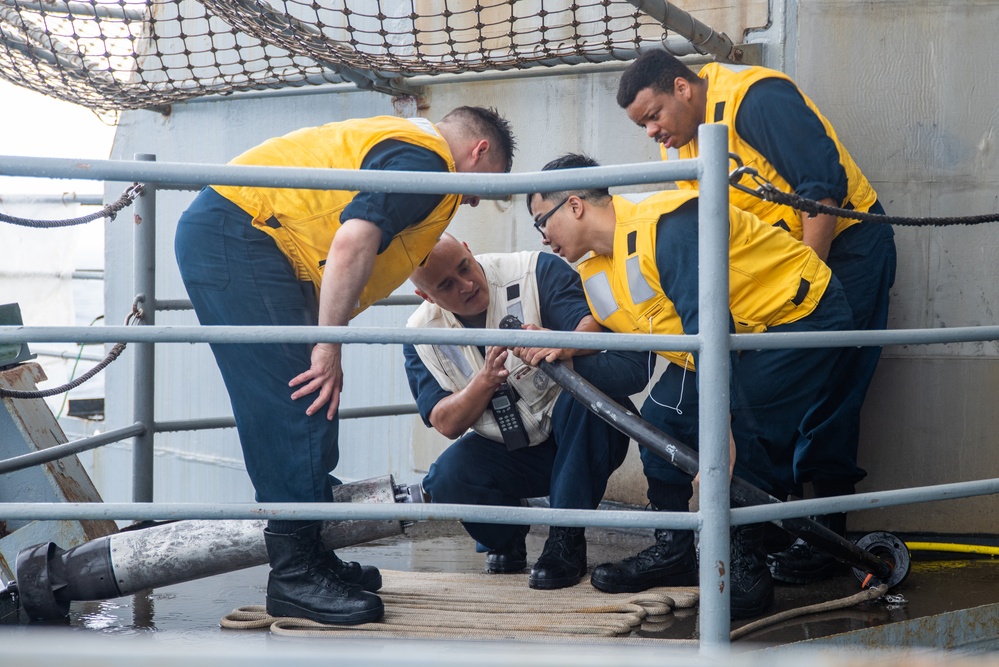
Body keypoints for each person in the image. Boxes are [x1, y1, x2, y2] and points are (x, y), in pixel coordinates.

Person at [174, 108, 516, 625]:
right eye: (484, 187)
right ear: (480, 152)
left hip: (251, 239)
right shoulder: (431, 165)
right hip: (241, 236)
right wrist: (328, 344)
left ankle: (311, 558)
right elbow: (353, 239)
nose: (471, 201)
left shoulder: (410, 148)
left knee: (311, 406)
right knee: (294, 402)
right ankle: (292, 577)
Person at [528, 154, 854, 619]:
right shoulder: (595, 270)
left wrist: (721, 429)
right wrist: (562, 345)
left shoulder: (667, 225)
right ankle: (675, 550)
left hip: (798, 317)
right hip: (722, 345)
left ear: (575, 205)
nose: (543, 236)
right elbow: (613, 333)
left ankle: (745, 569)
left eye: (542, 220)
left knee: (746, 425)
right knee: (662, 420)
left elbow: (708, 318)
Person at [616, 50, 897, 584]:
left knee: (828, 391)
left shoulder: (754, 96)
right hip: (779, 276)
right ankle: (773, 524)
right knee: (762, 396)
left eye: (653, 115)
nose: (652, 131)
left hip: (843, 251)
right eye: (641, 125)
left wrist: (812, 290)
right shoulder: (686, 148)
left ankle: (827, 539)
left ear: (682, 87)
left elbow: (822, 189)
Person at [403, 233, 647, 590]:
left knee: (584, 399)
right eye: (447, 285)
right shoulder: (420, 335)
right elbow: (444, 421)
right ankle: (506, 538)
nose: (467, 284)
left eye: (464, 267)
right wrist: (485, 381)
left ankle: (566, 540)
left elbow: (592, 325)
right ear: (425, 297)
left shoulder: (533, 270)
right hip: (510, 449)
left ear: (470, 249)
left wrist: (558, 342)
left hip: (581, 433)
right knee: (446, 477)